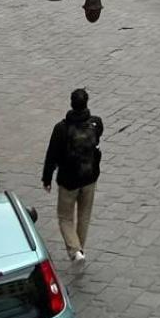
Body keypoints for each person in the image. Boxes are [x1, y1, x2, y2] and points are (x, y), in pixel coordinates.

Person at [41, 87, 103, 261]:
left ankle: (74, 249)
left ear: (71, 104)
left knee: (65, 217)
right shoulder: (96, 123)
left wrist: (47, 178)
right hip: (90, 177)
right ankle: (80, 248)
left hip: (68, 181)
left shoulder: (61, 129)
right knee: (84, 215)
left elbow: (51, 155)